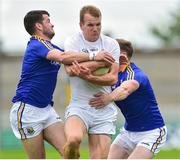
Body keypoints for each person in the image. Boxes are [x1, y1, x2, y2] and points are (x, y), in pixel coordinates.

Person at [9, 10, 114, 159]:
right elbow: (64, 57)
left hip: (46, 110)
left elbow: (72, 59)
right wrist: (96, 56)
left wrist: (103, 60)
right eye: (48, 21)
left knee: (71, 153)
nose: (52, 24)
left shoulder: (51, 47)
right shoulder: (36, 44)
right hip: (27, 110)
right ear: (39, 26)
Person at [89, 38, 168, 159]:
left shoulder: (135, 74)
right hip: (128, 132)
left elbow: (125, 90)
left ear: (122, 55)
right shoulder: (111, 74)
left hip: (151, 132)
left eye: (110, 51)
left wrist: (108, 98)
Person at [63, 5, 120, 159]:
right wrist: (100, 60)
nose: (95, 29)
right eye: (90, 25)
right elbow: (70, 70)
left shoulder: (111, 44)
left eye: (98, 24)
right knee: (74, 140)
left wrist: (89, 76)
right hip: (79, 106)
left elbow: (113, 78)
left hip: (103, 108)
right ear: (81, 25)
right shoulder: (73, 42)